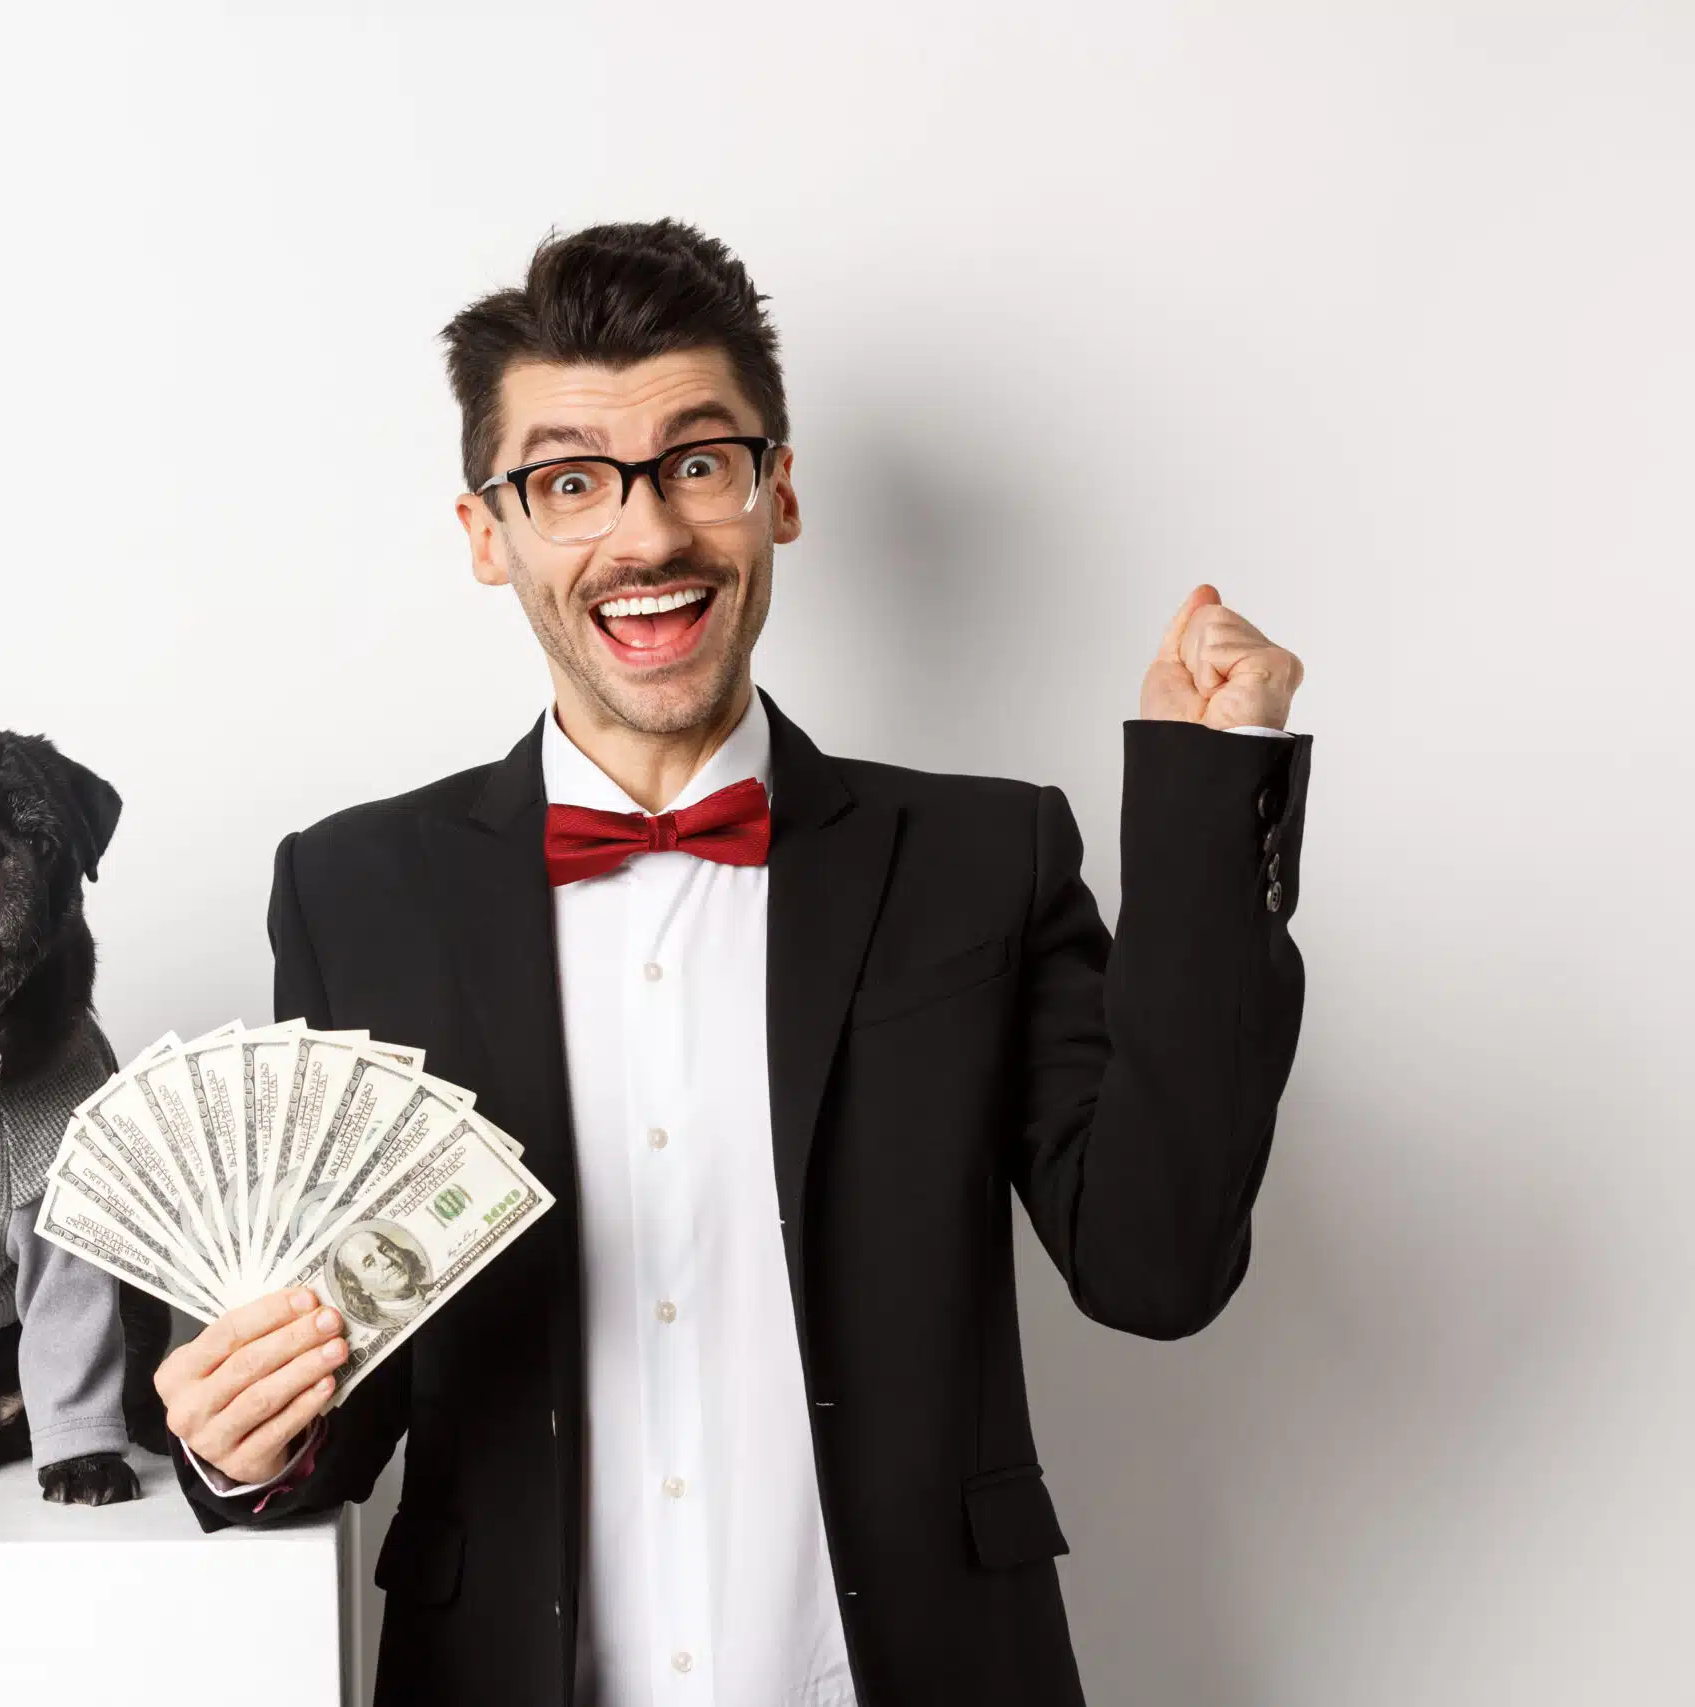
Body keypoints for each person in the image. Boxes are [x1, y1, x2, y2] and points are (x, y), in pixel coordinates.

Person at [151, 219, 1312, 1707]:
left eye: (697, 464)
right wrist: (245, 1441)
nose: (646, 538)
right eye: (570, 482)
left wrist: (1212, 805)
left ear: (780, 492)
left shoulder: (982, 858)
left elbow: (1158, 1265)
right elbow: (353, 1387)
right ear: (488, 535)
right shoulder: (355, 892)